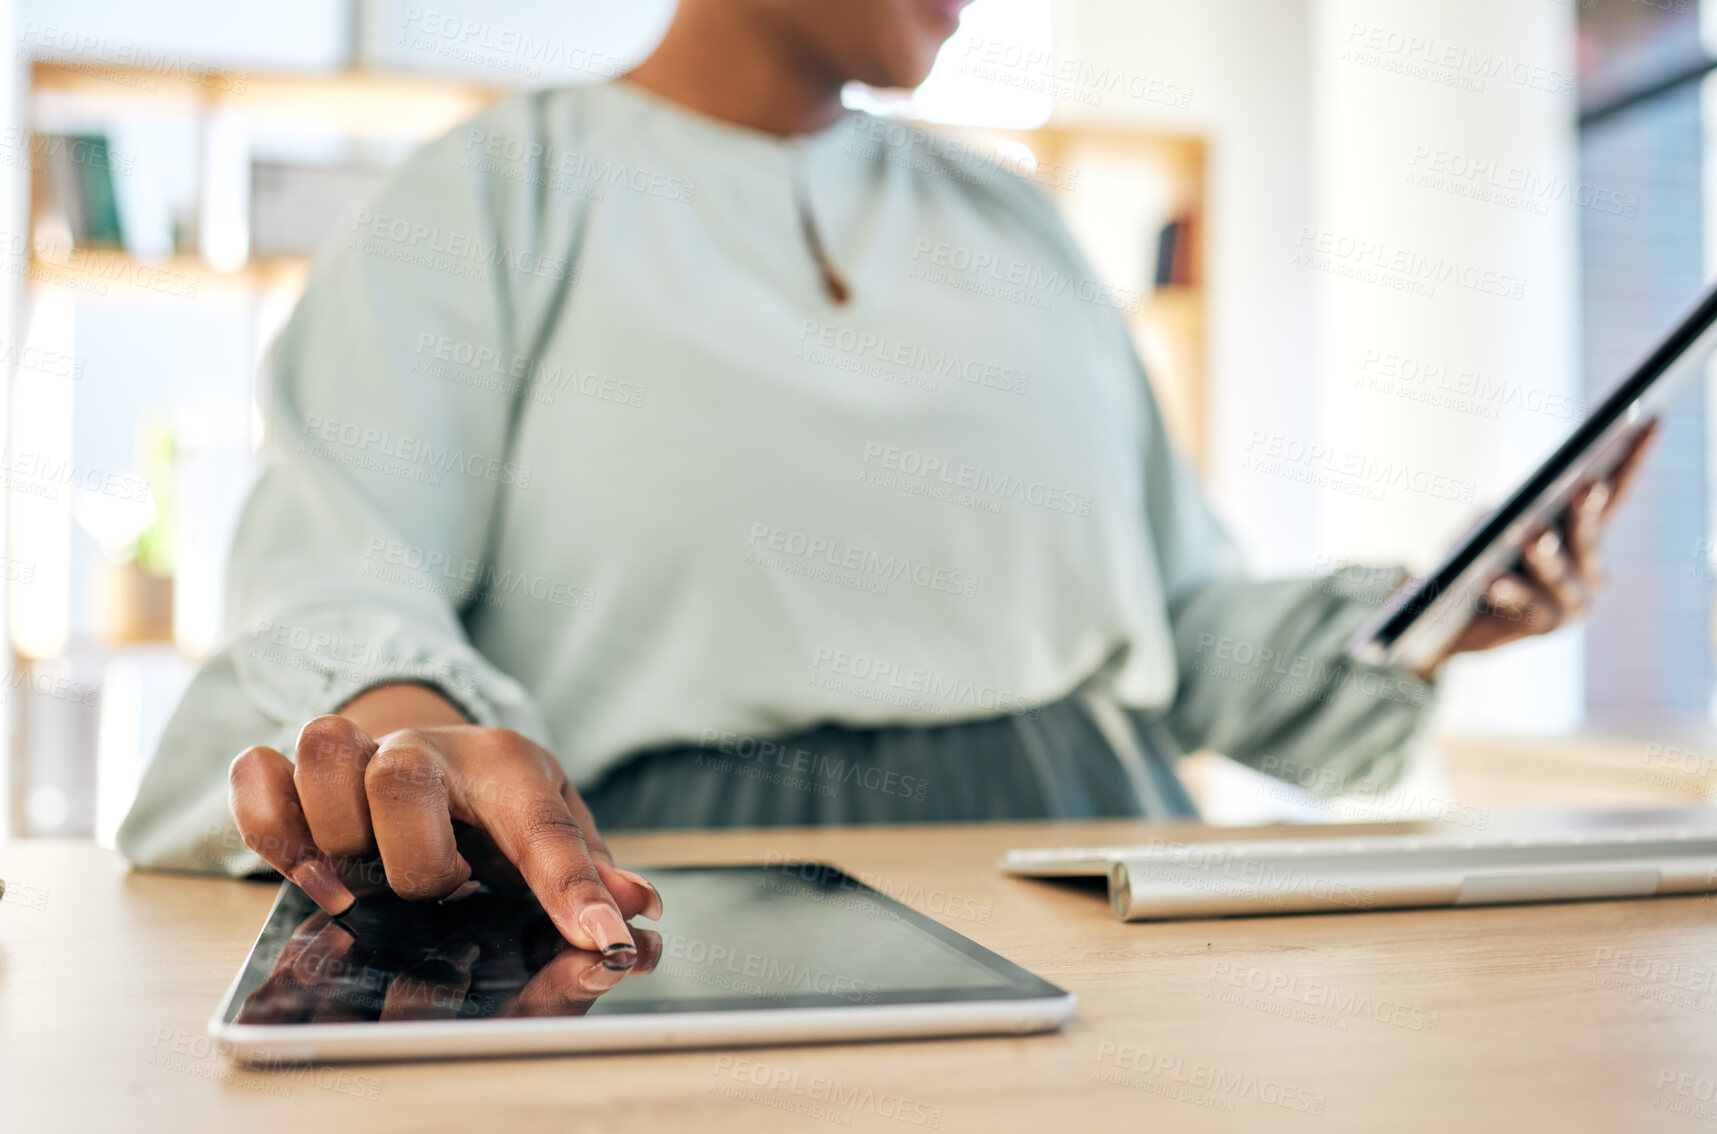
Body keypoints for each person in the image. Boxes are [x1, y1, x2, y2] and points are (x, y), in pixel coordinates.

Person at [117, 0, 1650, 966]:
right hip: (685, 895)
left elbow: (1179, 634)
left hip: (1103, 867)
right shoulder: (489, 194)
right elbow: (344, 566)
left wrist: (1423, 616)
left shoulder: (1021, 229)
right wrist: (409, 734)